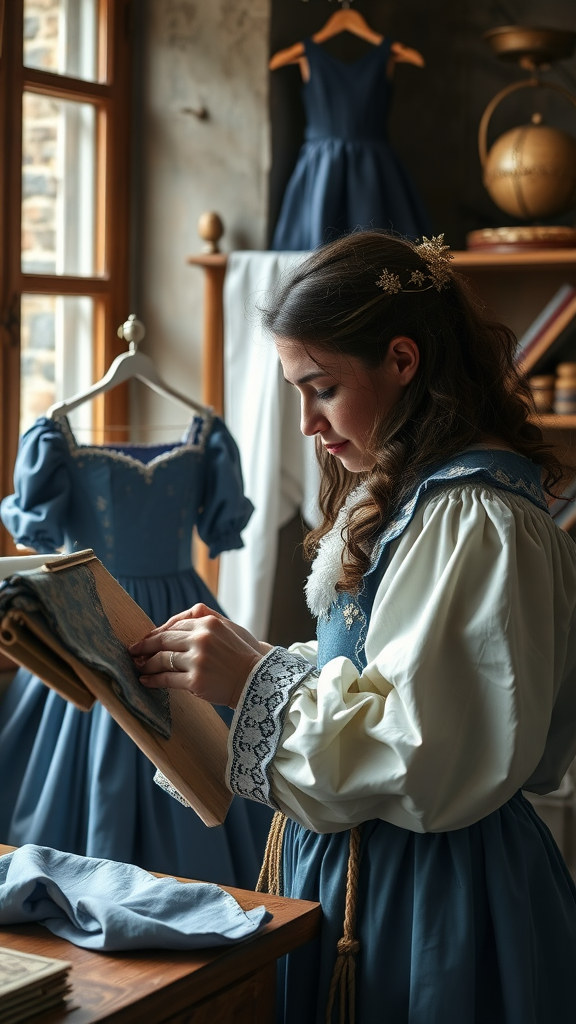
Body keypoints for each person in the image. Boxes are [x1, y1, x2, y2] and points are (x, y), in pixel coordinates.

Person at [129, 231, 576, 1024]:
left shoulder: (473, 516)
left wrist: (256, 680)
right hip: (360, 863)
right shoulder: (415, 495)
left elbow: (423, 751)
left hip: (429, 890)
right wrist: (246, 661)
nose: (306, 422)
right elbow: (381, 667)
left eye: (322, 388)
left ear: (403, 360)